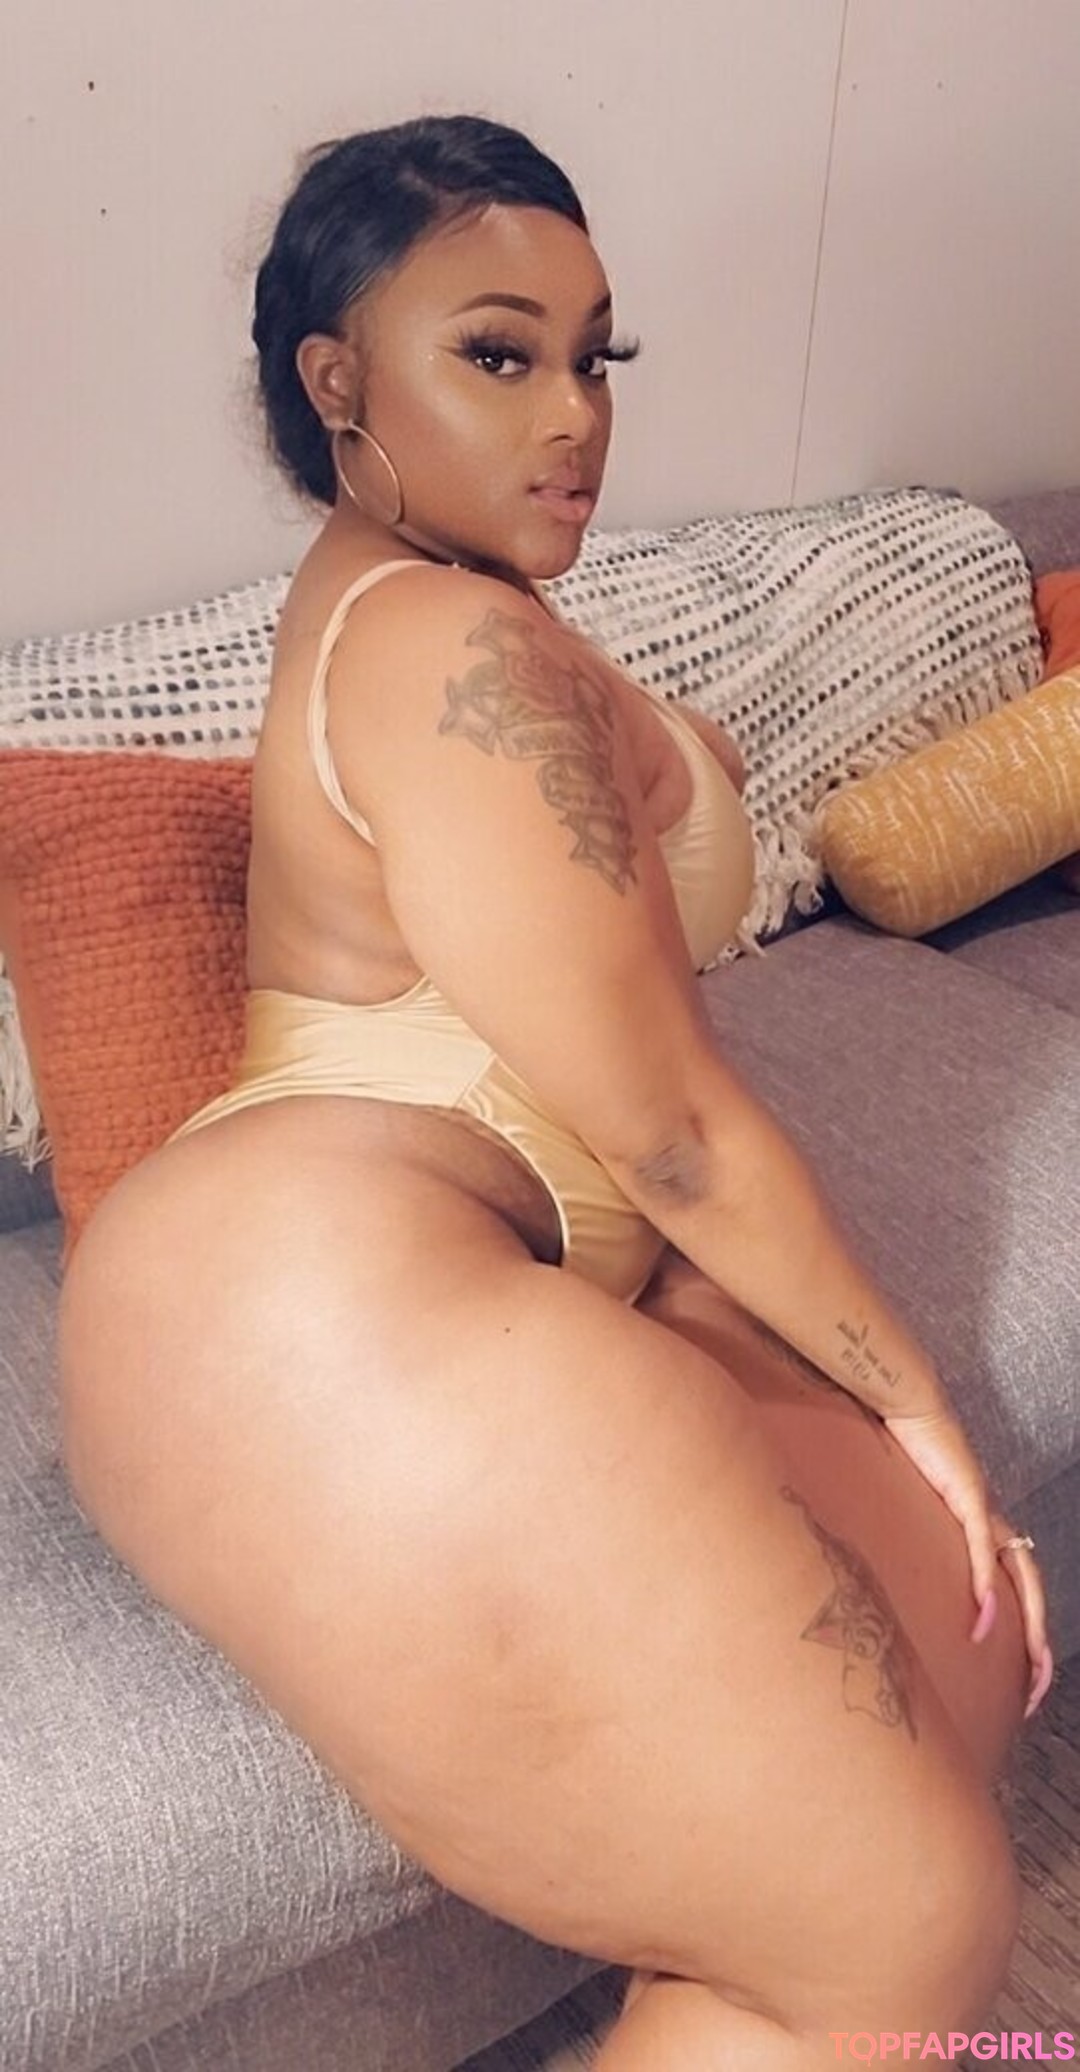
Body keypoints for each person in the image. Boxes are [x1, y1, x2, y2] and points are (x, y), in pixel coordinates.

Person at [59, 116, 1053, 2068]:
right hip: (325, 1298)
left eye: (599, 355)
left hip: (357, 1288)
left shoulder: (433, 598)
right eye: (497, 354)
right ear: (338, 382)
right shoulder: (447, 638)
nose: (576, 413)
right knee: (912, 1937)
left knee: (961, 1674)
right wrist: (915, 1400)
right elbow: (671, 1130)